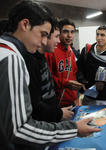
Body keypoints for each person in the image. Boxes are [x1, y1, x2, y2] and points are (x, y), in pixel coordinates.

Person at [0, 1, 100, 150]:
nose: (43, 42)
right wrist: (73, 129)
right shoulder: (12, 57)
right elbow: (18, 129)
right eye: (43, 34)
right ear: (25, 24)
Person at [22, 18, 74, 122]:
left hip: (59, 108)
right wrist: (57, 113)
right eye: (57, 36)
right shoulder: (33, 60)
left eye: (72, 32)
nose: (59, 40)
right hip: (46, 116)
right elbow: (34, 103)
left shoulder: (70, 51)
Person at [77, 25, 106, 105]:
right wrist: (82, 81)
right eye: (97, 34)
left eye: (102, 35)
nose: (99, 38)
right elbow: (79, 69)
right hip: (89, 97)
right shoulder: (86, 51)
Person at [45, 18, 84, 107]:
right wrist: (65, 83)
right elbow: (47, 79)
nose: (69, 35)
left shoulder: (71, 51)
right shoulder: (51, 51)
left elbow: (73, 75)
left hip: (72, 101)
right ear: (59, 33)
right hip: (57, 103)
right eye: (65, 32)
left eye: (72, 32)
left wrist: (76, 96)